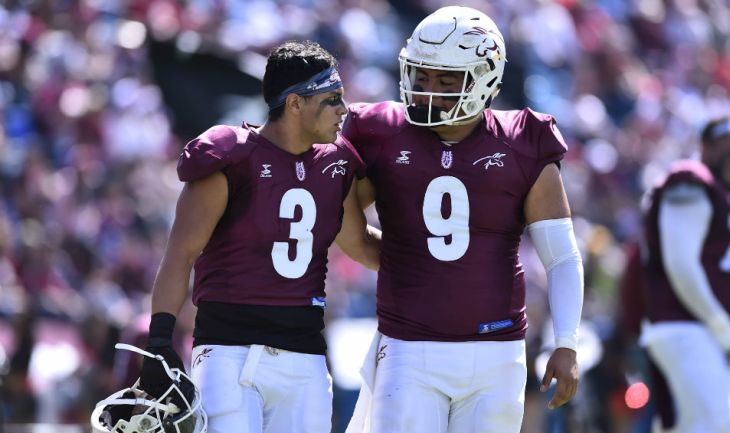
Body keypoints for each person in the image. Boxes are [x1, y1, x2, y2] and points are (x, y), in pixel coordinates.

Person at [342, 6, 584, 433]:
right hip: (408, 346)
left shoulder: (523, 142)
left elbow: (562, 257)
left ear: (485, 77)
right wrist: (407, 261)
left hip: (496, 351)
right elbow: (348, 228)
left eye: (447, 79)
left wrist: (566, 344)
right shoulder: (380, 132)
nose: (428, 90)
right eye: (421, 75)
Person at [136, 40, 380, 433]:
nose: (343, 110)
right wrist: (159, 342)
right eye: (331, 98)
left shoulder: (337, 163)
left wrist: (430, 261)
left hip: (305, 356)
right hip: (231, 353)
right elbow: (180, 253)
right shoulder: (231, 156)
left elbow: (359, 244)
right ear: (295, 103)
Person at [640, 116, 730, 433]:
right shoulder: (690, 180)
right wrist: (721, 326)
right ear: (706, 147)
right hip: (687, 326)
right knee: (715, 424)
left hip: (708, 333)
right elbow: (681, 263)